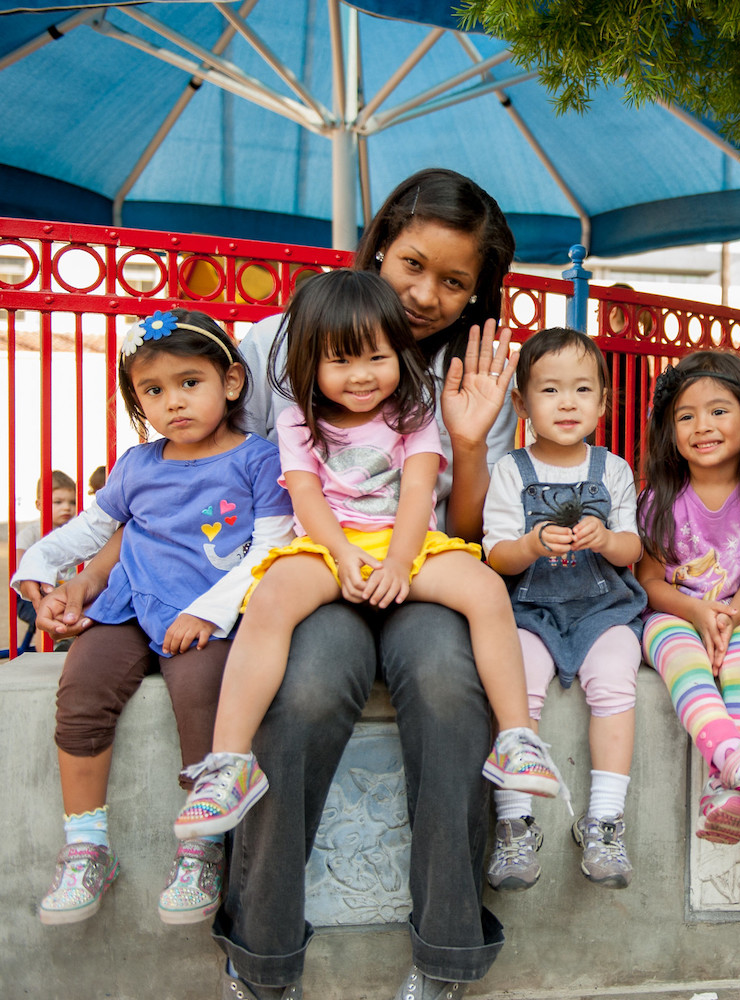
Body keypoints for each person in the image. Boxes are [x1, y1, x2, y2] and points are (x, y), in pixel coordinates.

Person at [33, 169, 522, 999]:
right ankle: (261, 960)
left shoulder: (471, 375)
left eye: (453, 282)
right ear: (379, 243)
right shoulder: (275, 343)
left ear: (476, 295)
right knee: (294, 701)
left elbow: (475, 532)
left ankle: (446, 957)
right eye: (411, 264)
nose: (424, 294)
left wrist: (469, 441)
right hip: (308, 569)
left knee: (448, 689)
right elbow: (201, 478)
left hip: (423, 568)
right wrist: (96, 572)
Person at [174, 270, 561, 842]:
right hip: (331, 542)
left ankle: (516, 738)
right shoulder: (297, 423)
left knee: (482, 588)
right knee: (271, 598)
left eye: (376, 357)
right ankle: (229, 763)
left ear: (399, 355)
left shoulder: (414, 414)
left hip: (408, 542)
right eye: (341, 361)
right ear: (311, 362)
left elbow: (417, 494)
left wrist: (400, 564)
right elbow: (305, 498)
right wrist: (343, 555)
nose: (361, 376)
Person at [11, 309, 294, 926]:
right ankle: (86, 845)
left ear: (233, 382)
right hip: (127, 607)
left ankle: (201, 849)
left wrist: (208, 612)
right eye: (154, 390)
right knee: (81, 689)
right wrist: (36, 563)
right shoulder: (137, 464)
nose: (174, 402)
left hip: (207, 615)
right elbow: (94, 528)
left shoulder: (258, 459)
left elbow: (274, 547)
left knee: (202, 695)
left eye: (190, 382)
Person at [482, 328, 647, 891]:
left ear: (603, 401)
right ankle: (514, 822)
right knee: (518, 684)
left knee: (615, 682)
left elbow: (634, 549)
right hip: (530, 612)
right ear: (523, 404)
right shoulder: (510, 470)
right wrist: (530, 545)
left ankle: (603, 818)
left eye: (582, 389)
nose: (569, 402)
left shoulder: (613, 469)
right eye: (550, 391)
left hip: (605, 610)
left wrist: (604, 538)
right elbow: (496, 553)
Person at [635, 350, 740, 845]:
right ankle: (738, 763)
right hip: (671, 615)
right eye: (686, 416)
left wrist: (727, 619)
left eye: (719, 410)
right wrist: (699, 612)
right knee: (685, 658)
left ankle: (726, 796)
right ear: (670, 431)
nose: (703, 425)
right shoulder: (661, 498)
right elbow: (650, 583)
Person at [14, 470, 78, 644]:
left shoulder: (77, 532)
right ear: (39, 504)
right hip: (33, 595)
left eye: (72, 502)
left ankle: (71, 649)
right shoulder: (30, 533)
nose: (67, 507)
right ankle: (48, 652)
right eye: (58, 502)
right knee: (44, 613)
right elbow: (20, 566)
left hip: (68, 592)